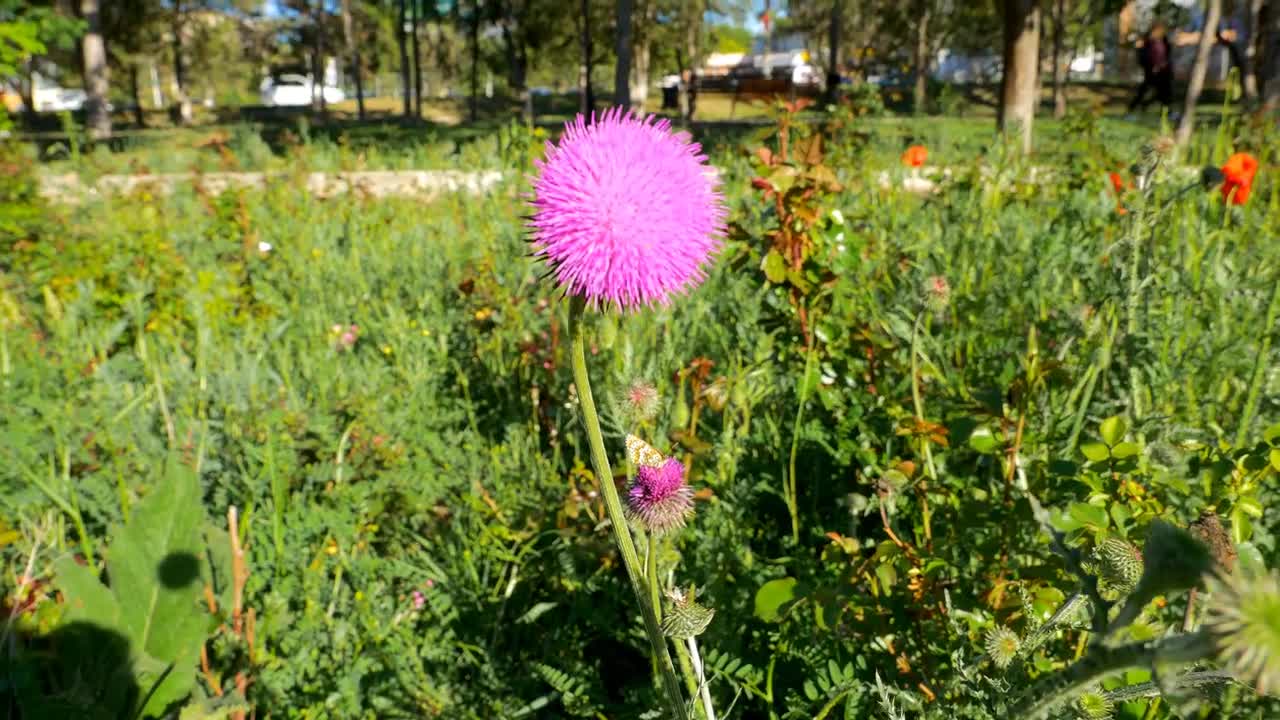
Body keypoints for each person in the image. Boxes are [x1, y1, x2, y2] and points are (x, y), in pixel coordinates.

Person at [1129, 22, 1173, 114]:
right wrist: (1151, 66)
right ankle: (1133, 107)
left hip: (1163, 72)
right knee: (1144, 91)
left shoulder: (1163, 41)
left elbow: (1166, 55)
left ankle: (1165, 111)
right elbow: (1145, 57)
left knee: (1164, 94)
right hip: (1152, 72)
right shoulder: (1148, 42)